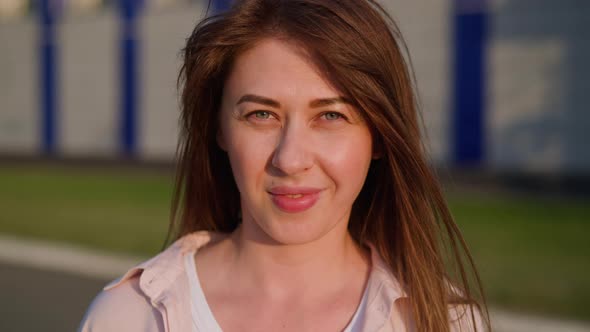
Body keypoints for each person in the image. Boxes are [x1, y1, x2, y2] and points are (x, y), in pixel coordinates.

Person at [79, 0, 489, 331]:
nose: (291, 160)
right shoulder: (128, 316)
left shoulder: (447, 323)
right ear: (218, 129)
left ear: (379, 136)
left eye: (330, 116)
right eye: (261, 115)